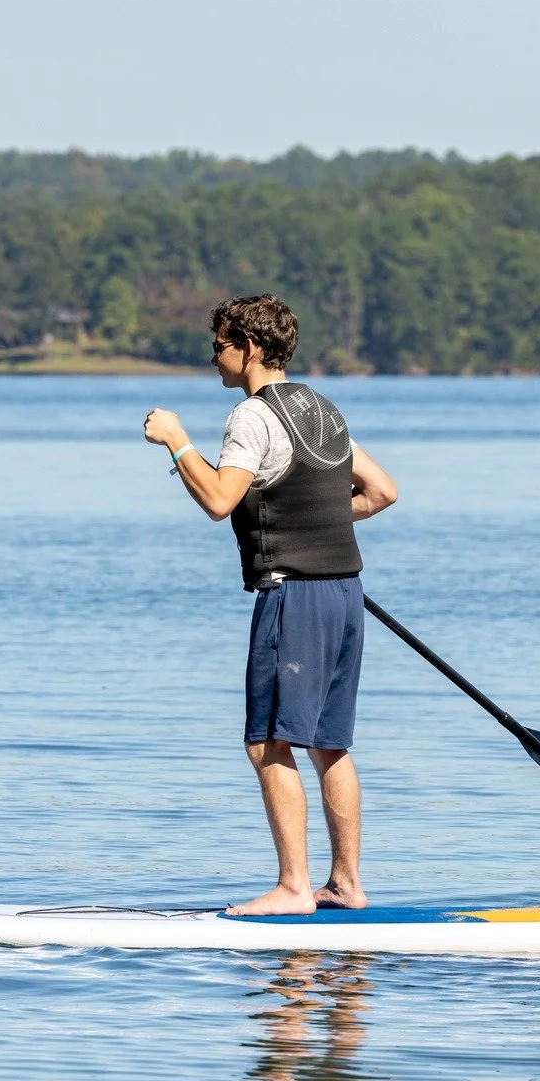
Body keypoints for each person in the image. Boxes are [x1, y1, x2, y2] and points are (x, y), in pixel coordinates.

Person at [142, 294, 398, 916]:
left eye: (220, 346)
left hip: (294, 597)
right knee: (330, 744)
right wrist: (315, 524)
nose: (214, 359)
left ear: (250, 348)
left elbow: (219, 500)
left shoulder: (251, 417)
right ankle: (346, 884)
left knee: (269, 743)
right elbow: (381, 492)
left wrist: (176, 441)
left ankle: (293, 888)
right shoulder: (324, 409)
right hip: (345, 594)